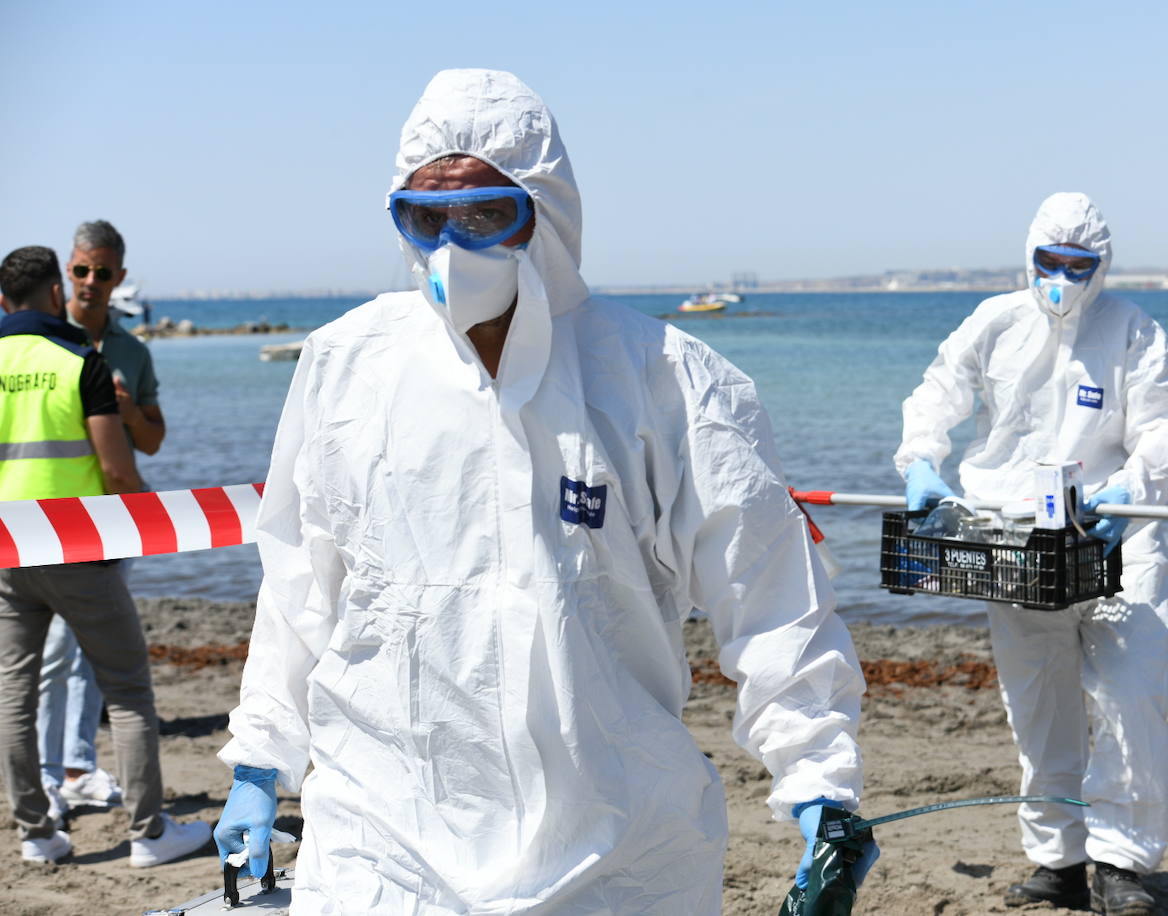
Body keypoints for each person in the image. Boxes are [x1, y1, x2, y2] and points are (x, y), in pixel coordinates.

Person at [214, 69, 873, 912]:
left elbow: (772, 596)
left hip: (615, 847)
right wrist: (263, 759)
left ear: (547, 212)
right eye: (427, 217)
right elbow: (303, 583)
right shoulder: (346, 367)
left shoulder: (666, 381)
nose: (455, 245)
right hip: (383, 837)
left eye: (487, 213)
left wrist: (820, 784)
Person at [894, 193, 1168, 916]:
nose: (1060, 276)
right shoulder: (995, 322)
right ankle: (1057, 859)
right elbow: (938, 393)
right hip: (1014, 540)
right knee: (1038, 704)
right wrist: (919, 462)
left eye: (1077, 264)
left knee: (1133, 696)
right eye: (1048, 262)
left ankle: (1120, 862)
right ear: (1028, 255)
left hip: (1114, 536)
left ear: (1102, 265)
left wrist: (1131, 488)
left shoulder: (1132, 331)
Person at [0, 245, 210, 865]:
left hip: (9, 547)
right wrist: (150, 519)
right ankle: (148, 833)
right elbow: (119, 471)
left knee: (14, 693)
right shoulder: (78, 360)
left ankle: (36, 834)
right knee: (126, 690)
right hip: (77, 545)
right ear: (54, 294)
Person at [36, 220, 166, 825]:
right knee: (56, 652)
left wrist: (124, 410)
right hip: (48, 519)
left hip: (112, 519)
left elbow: (154, 439)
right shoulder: (42, 345)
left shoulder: (132, 352)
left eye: (104, 273)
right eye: (82, 270)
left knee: (85, 656)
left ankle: (77, 766)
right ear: (68, 270)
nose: (91, 282)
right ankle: (51, 773)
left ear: (119, 278)